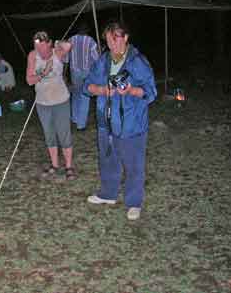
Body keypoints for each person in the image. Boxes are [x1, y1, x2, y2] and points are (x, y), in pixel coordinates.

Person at [84, 21, 157, 221]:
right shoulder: (103, 61)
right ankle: (108, 194)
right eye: (108, 41)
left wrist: (131, 91)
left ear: (125, 38)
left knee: (133, 165)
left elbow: (151, 92)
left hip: (131, 124)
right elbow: (87, 85)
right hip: (105, 122)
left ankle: (134, 202)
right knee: (108, 159)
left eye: (115, 39)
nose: (112, 45)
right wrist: (101, 90)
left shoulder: (137, 61)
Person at [26, 31, 76, 181]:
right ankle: (54, 165)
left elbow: (69, 44)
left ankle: (68, 166)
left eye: (42, 46)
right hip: (42, 103)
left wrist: (55, 44)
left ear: (49, 43)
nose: (40, 51)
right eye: (36, 47)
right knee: (49, 135)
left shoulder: (57, 53)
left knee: (64, 134)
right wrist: (43, 73)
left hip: (61, 100)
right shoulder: (33, 56)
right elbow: (29, 80)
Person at [68, 23, 99, 130]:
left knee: (76, 94)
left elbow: (66, 59)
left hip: (74, 72)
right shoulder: (91, 41)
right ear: (87, 30)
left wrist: (65, 73)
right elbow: (96, 59)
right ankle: (81, 124)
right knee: (85, 96)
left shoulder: (71, 40)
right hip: (86, 72)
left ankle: (75, 118)